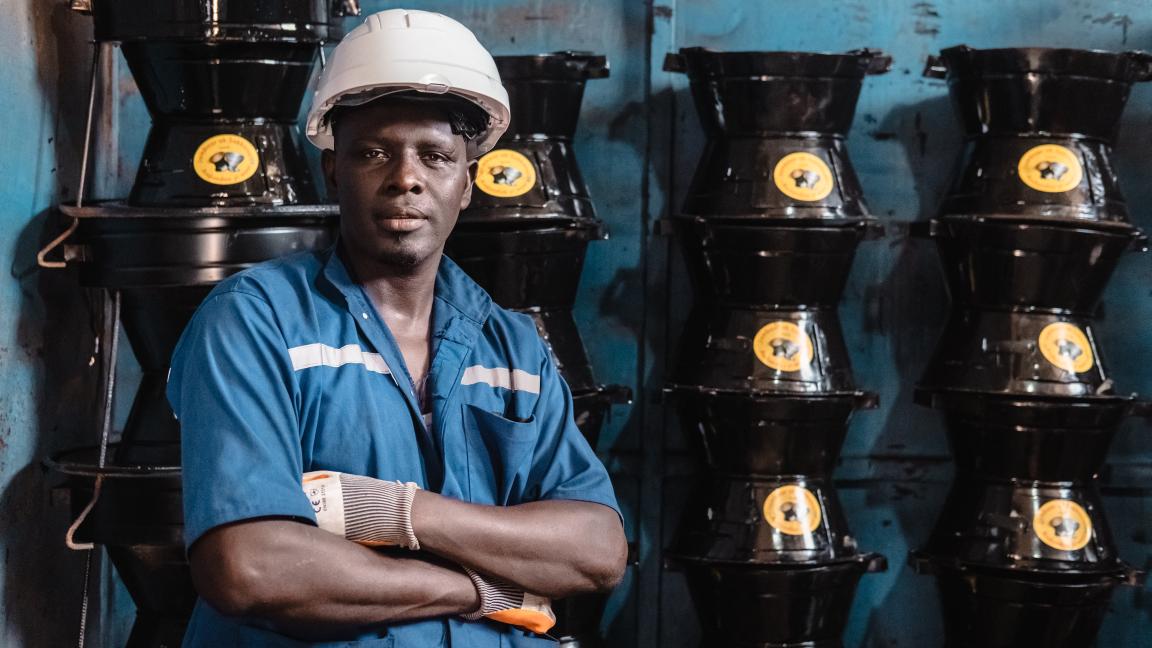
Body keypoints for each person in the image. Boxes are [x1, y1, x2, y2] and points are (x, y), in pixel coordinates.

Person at [166, 9, 627, 647]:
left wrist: (400, 513)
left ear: (466, 183)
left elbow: (596, 549)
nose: (405, 177)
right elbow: (249, 567)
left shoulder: (513, 346)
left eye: (435, 156)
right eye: (374, 152)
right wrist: (481, 589)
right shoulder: (255, 320)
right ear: (333, 172)